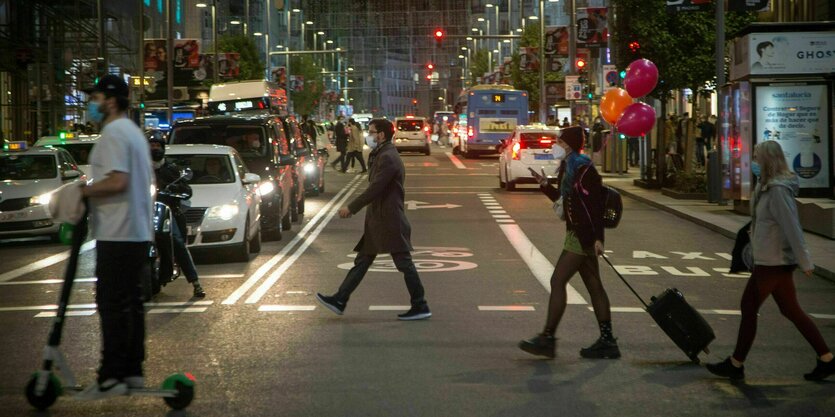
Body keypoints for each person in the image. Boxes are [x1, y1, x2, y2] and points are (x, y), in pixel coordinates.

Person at [706, 141, 834, 381]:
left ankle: (736, 364)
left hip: (774, 261)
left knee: (749, 307)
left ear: (768, 160)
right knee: (791, 310)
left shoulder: (777, 190)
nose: (753, 162)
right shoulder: (764, 187)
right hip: (769, 259)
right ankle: (826, 358)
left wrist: (805, 261)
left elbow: (792, 226)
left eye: (757, 157)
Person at [78, 75, 154, 398]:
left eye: (95, 98)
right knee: (132, 302)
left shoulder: (113, 133)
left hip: (117, 231)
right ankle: (133, 370)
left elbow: (118, 180)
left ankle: (111, 374)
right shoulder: (134, 133)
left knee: (111, 303)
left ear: (110, 101)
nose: (91, 104)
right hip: (137, 230)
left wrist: (84, 191)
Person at [518, 126, 619, 359]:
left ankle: (548, 338)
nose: (557, 146)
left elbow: (594, 206)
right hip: (576, 232)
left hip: (582, 236)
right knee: (594, 286)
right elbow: (565, 202)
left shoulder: (585, 169)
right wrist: (544, 185)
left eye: (560, 143)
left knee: (557, 280)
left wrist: (598, 238)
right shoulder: (569, 168)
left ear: (570, 145)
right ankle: (607, 341)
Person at [316, 119, 431, 321]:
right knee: (363, 260)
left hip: (388, 220)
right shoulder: (382, 154)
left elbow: (375, 188)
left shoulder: (388, 157)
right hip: (380, 219)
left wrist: (351, 208)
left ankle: (420, 304)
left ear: (382, 134)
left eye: (372, 132)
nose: (369, 135)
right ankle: (340, 299)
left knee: (404, 263)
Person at [148, 136, 205, 298]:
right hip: (144, 212)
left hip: (167, 212)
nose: (155, 148)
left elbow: (186, 190)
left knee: (177, 241)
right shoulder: (140, 168)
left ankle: (195, 283)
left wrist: (175, 190)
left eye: (157, 145)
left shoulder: (171, 169)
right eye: (151, 145)